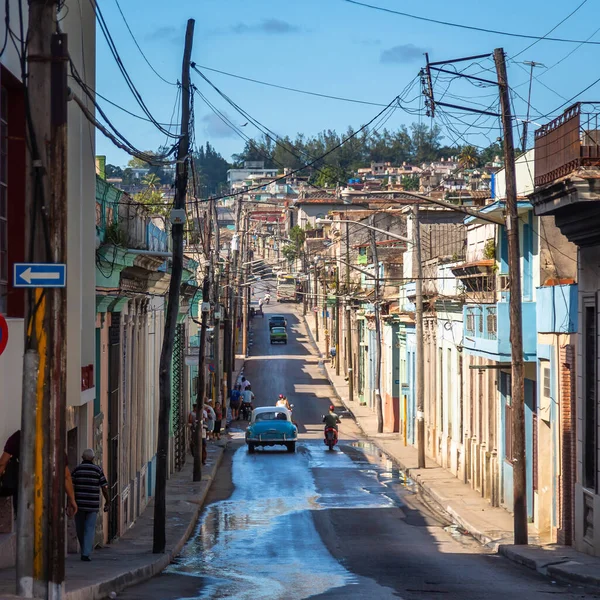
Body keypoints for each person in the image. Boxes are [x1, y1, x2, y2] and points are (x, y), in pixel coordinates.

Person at [0, 430, 77, 518]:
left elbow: (2, 463)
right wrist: (72, 499)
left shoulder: (19, 436)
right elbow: (66, 475)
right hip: (46, 494)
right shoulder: (52, 441)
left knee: (22, 521)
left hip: (23, 492)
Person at [71, 449, 109, 562]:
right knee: (90, 528)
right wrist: (108, 501)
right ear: (93, 458)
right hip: (92, 505)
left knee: (80, 529)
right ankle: (86, 553)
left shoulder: (77, 470)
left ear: (82, 458)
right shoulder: (98, 470)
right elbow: (104, 487)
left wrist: (70, 501)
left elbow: (71, 486)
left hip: (79, 504)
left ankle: (85, 550)